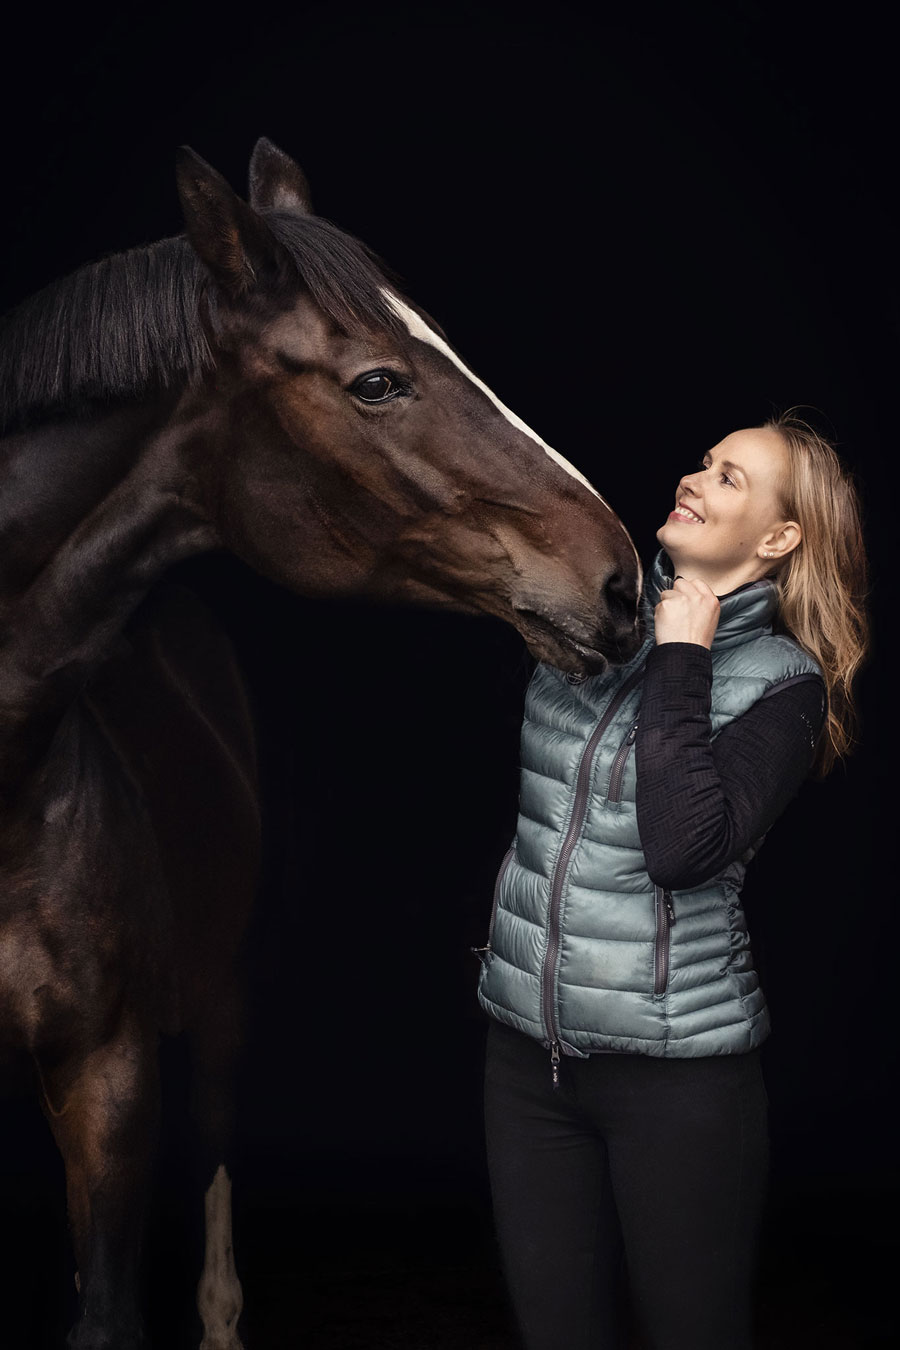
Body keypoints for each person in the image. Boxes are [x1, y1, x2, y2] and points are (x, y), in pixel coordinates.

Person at [475, 411, 868, 1350]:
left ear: (778, 539)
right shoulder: (598, 621)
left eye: (730, 477)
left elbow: (684, 848)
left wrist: (685, 655)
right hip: (529, 1060)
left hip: (679, 1084)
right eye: (703, 461)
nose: (695, 478)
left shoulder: (783, 685)